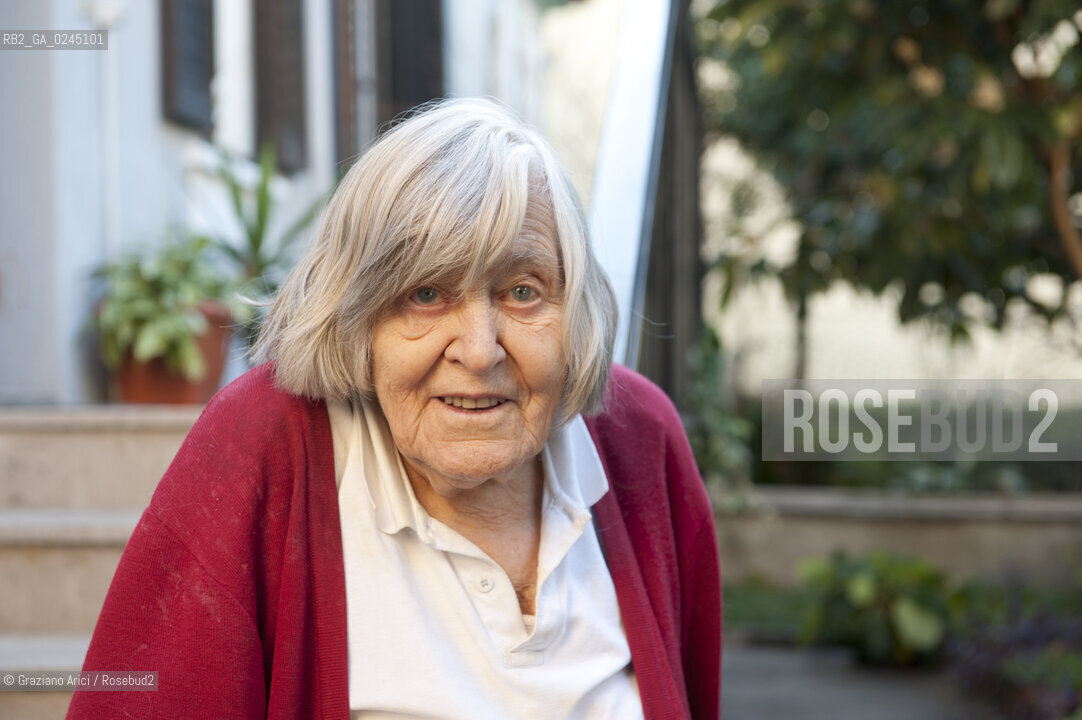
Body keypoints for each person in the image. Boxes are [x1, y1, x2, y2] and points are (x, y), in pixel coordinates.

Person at [67, 98, 721, 720]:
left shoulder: (640, 440)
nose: (479, 349)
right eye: (426, 293)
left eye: (524, 291)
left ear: (573, 312)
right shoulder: (263, 443)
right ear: (358, 315)